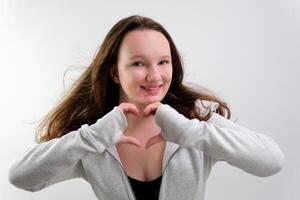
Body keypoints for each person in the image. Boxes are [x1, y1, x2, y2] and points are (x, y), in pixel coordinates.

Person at [8, 15, 285, 200]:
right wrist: (90, 138)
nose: (155, 76)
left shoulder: (195, 120)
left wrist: (191, 133)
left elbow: (271, 162)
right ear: (115, 72)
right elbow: (21, 178)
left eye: (163, 62)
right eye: (139, 63)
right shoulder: (93, 138)